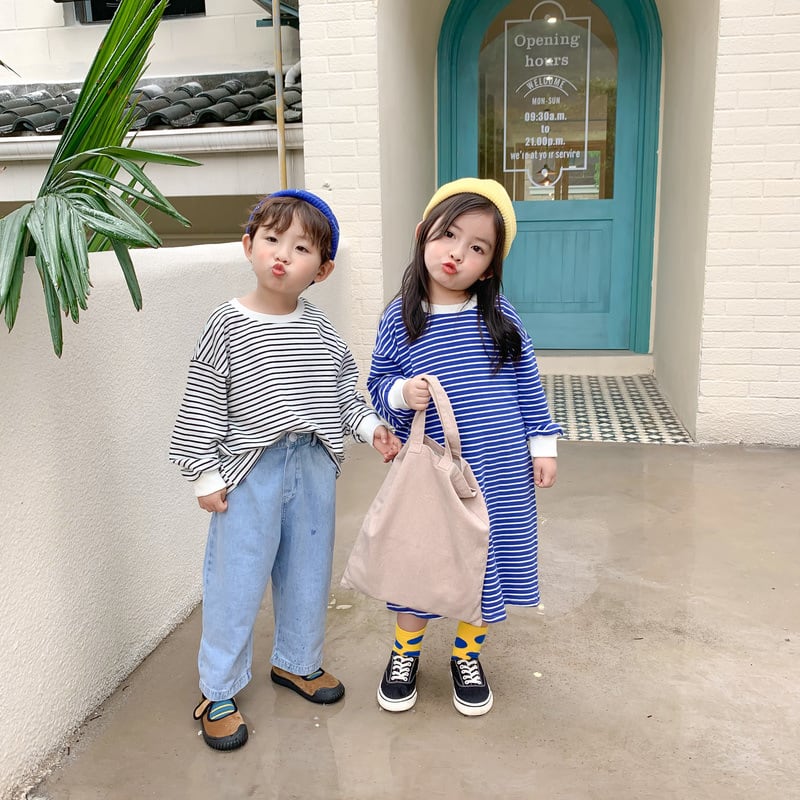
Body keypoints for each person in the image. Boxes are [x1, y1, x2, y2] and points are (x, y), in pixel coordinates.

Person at [170, 189, 401, 751]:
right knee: (236, 580)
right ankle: (217, 689)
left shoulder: (321, 329)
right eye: (272, 239)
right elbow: (203, 400)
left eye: (301, 248)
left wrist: (371, 428)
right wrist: (204, 474)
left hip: (314, 465)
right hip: (251, 469)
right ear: (248, 245)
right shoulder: (226, 323)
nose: (282, 254)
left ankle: (297, 661)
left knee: (307, 571)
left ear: (322, 270)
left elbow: (343, 394)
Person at [367, 178, 562, 717]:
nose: (457, 253)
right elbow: (378, 383)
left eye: (477, 247)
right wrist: (400, 394)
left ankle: (466, 655)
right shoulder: (400, 318)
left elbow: (528, 384)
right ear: (422, 235)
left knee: (485, 562)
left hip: (500, 469)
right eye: (448, 235)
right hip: (432, 473)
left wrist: (542, 445)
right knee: (423, 558)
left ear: (490, 268)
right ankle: (405, 653)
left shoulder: (501, 318)